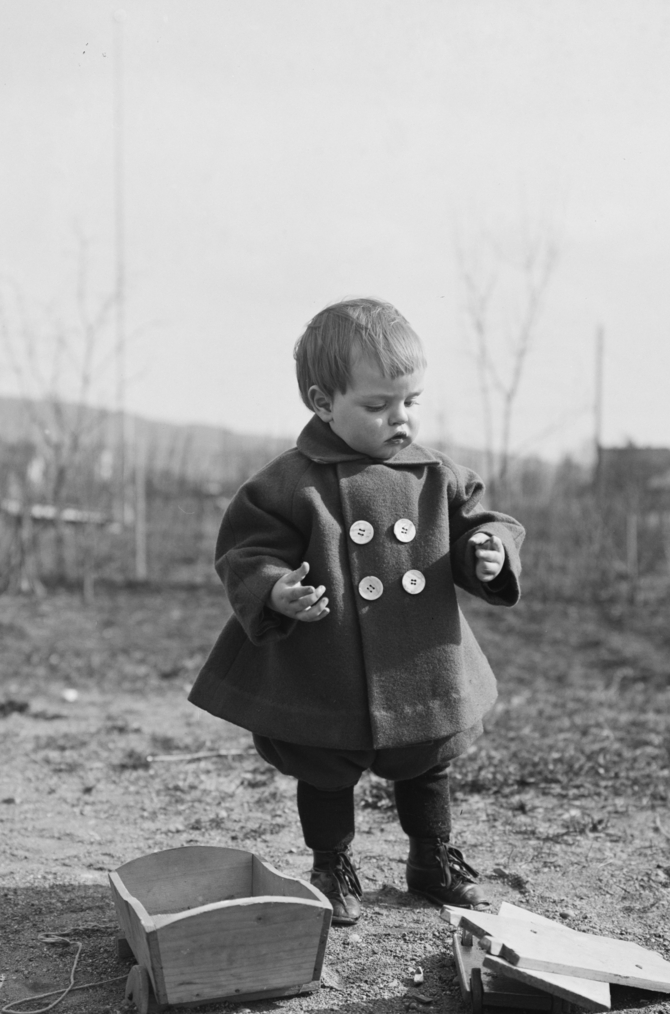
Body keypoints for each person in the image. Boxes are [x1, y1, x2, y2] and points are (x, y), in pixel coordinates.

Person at [189, 298, 524, 925]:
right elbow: (247, 550)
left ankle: (432, 857)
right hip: (328, 654)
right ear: (322, 403)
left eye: (411, 402)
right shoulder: (289, 482)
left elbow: (485, 522)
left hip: (420, 654)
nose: (400, 420)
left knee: (427, 758)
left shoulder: (436, 476)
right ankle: (332, 864)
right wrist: (273, 589)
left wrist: (489, 551)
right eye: (376, 406)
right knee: (323, 763)